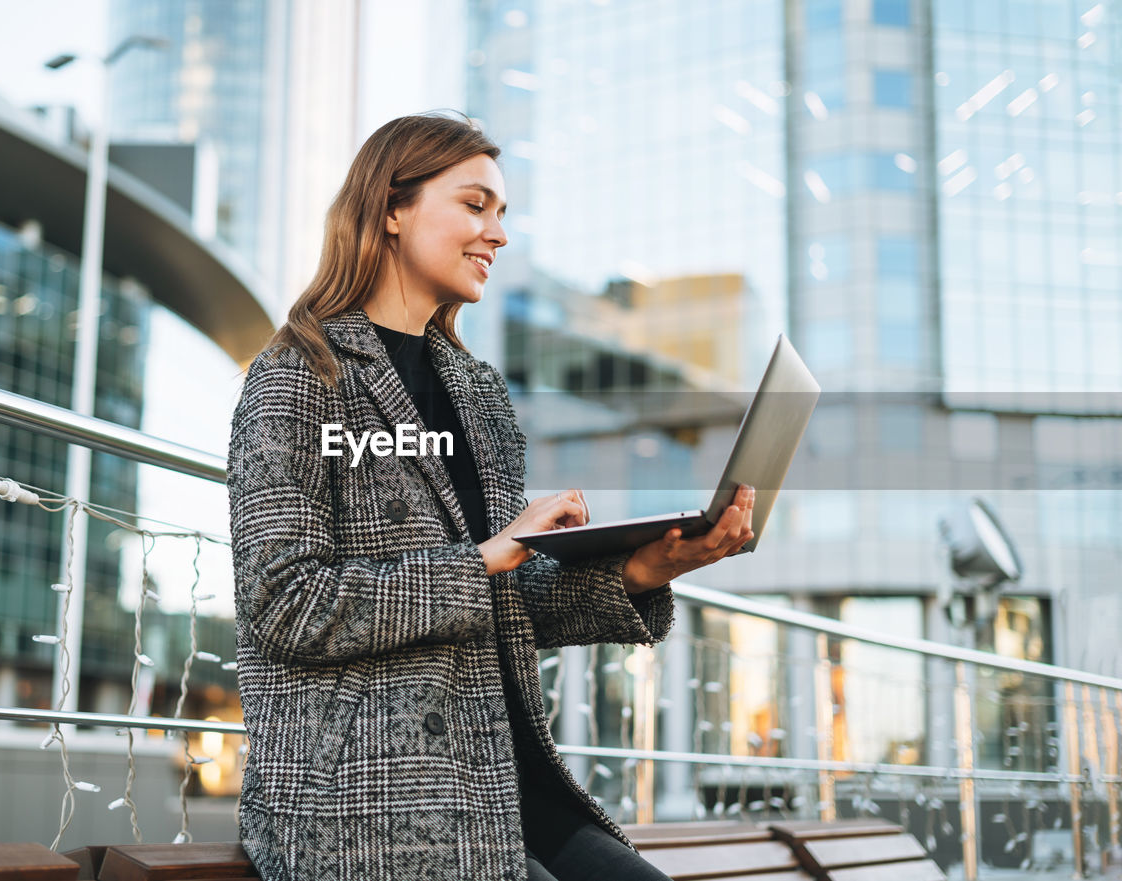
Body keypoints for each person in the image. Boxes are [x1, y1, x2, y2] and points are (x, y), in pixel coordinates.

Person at [227, 113, 756, 881]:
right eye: (476, 206)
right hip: (367, 797)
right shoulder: (298, 376)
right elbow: (285, 600)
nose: (497, 234)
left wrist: (642, 570)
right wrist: (481, 559)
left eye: (502, 213)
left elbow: (498, 606)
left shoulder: (479, 395)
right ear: (391, 209)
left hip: (500, 781)